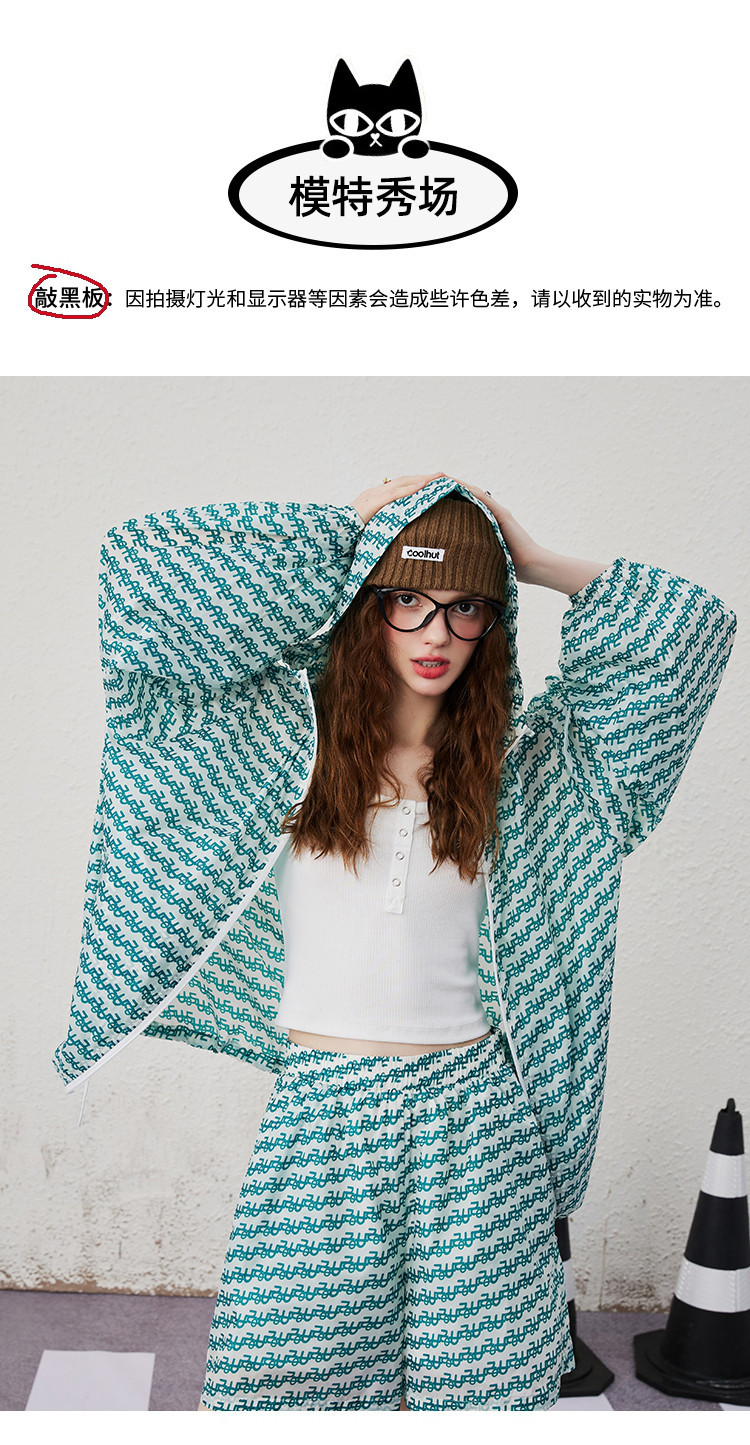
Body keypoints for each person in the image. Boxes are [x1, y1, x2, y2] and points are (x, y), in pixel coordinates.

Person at [53, 473, 737, 1411]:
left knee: (483, 1392)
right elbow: (141, 586)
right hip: (323, 1111)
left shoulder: (535, 774)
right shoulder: (272, 747)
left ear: (493, 624)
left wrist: (528, 559)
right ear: (366, 605)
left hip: (476, 1116)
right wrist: (346, 533)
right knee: (287, 1389)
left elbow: (684, 636)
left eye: (466, 607)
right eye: (406, 599)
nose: (435, 631)